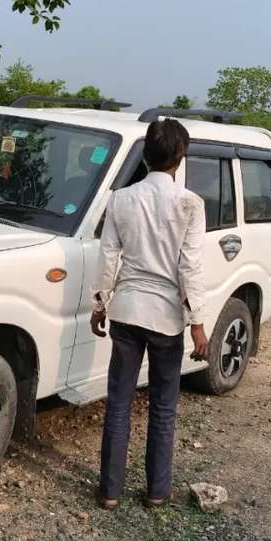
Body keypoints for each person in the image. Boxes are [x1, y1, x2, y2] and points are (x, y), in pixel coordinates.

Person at [91, 118, 208, 510]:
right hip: (166, 318)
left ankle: (109, 492)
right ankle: (157, 492)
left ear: (144, 156)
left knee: (118, 404)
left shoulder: (120, 199)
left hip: (126, 311)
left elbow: (109, 257)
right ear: (181, 157)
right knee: (162, 407)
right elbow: (190, 267)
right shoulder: (191, 204)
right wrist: (198, 324)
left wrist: (99, 304)